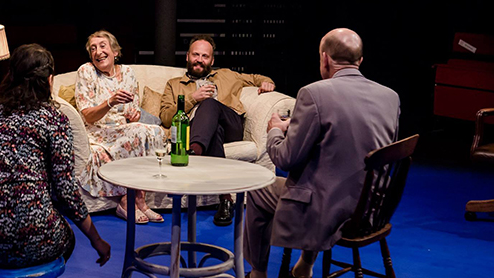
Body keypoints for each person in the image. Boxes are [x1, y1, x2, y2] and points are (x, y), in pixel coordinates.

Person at [243, 28, 400, 278]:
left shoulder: (314, 94)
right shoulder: (391, 97)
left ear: (325, 58)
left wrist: (275, 131)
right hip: (372, 209)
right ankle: (305, 264)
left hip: (327, 212)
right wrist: (299, 129)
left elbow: (285, 159)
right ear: (360, 61)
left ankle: (258, 273)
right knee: (325, 173)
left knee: (259, 187)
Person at [0, 44, 111, 268]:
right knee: (65, 235)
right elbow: (66, 191)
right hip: (28, 240)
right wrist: (96, 239)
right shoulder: (53, 119)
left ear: (11, 77)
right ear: (49, 80)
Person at [159, 35, 276, 226]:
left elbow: (256, 78)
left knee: (210, 104)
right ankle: (226, 200)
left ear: (212, 61)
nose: (199, 59)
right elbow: (165, 117)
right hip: (204, 131)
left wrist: (267, 82)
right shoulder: (174, 84)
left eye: (205, 56)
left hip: (232, 125)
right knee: (215, 132)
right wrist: (192, 98)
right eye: (196, 54)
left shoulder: (227, 74)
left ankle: (194, 153)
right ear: (187, 57)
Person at [75, 30, 166, 224]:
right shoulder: (86, 71)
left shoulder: (128, 73)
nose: (98, 52)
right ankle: (128, 200)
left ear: (115, 51)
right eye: (93, 48)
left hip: (122, 129)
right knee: (136, 134)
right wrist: (110, 102)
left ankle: (139, 199)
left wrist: (134, 115)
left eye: (102, 46)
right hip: (97, 131)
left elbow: (131, 110)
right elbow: (88, 116)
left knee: (152, 130)